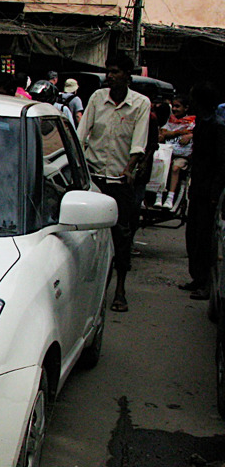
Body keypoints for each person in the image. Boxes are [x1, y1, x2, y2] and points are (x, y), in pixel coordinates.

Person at [77, 53, 151, 313]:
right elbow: (82, 134)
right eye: (109, 71)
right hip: (94, 178)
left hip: (120, 181)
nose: (110, 76)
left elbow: (138, 143)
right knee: (83, 235)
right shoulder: (97, 99)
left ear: (128, 76)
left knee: (122, 236)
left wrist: (129, 169)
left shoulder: (141, 104)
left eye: (116, 71)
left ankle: (119, 289)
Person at [179, 83, 225, 300]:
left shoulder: (217, 126)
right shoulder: (202, 124)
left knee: (204, 238)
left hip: (208, 191)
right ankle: (197, 278)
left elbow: (220, 163)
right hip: (198, 187)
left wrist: (215, 192)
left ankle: (205, 282)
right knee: (194, 234)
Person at [156, 95, 195, 209]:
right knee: (161, 164)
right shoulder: (169, 120)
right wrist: (179, 132)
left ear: (186, 108)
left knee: (175, 167)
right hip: (166, 153)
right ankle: (159, 195)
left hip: (181, 155)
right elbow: (163, 133)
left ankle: (170, 198)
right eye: (173, 106)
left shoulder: (192, 121)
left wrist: (190, 135)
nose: (174, 109)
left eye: (178, 106)